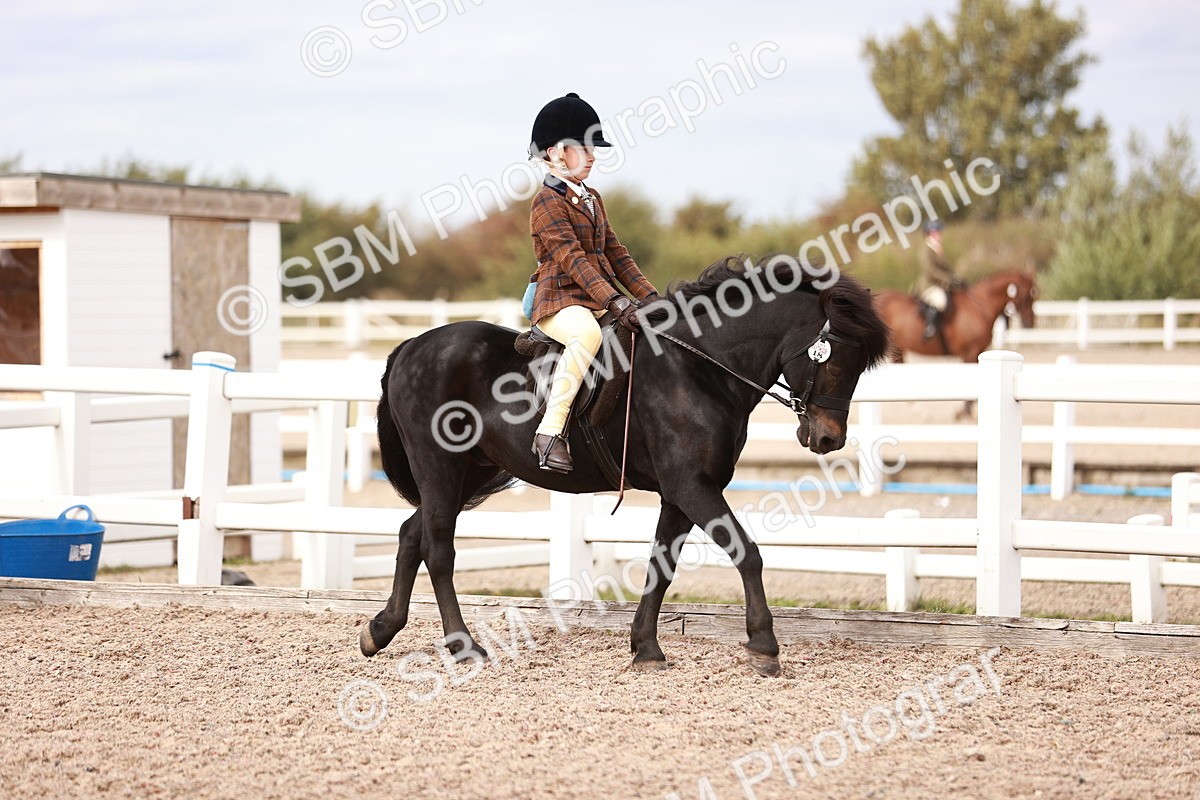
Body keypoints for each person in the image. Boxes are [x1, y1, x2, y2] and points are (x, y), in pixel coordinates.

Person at [525, 92, 660, 473]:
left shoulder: (592, 198)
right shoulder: (546, 203)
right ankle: (549, 434)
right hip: (560, 301)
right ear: (554, 154)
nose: (593, 156)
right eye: (583, 149)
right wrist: (616, 301)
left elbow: (617, 254)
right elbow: (573, 261)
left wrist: (650, 297)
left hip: (595, 297)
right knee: (588, 335)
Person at [914, 219, 963, 339]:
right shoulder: (926, 249)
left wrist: (956, 278)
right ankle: (930, 328)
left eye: (938, 232)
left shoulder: (938, 249)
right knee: (940, 301)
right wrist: (949, 279)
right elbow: (930, 271)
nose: (938, 234)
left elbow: (946, 268)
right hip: (929, 285)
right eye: (935, 232)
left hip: (941, 284)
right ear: (929, 234)